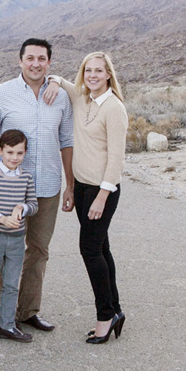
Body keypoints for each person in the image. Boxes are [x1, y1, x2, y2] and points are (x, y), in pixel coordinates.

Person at [0, 38, 73, 333]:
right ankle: (4, 315)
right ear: (20, 61)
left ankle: (26, 312)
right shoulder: (3, 93)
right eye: (30, 58)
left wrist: (70, 185)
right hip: (9, 187)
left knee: (38, 251)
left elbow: (67, 140)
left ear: (49, 63)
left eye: (41, 58)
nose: (35, 63)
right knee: (8, 249)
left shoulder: (61, 97)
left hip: (46, 187)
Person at [44, 51, 128, 344]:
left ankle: (105, 315)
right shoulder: (82, 97)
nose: (92, 75)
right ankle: (115, 309)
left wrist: (102, 196)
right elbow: (60, 80)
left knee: (90, 251)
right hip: (81, 187)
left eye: (98, 71)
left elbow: (117, 159)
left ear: (108, 75)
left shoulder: (114, 108)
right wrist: (54, 80)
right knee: (101, 249)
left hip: (101, 190)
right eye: (88, 70)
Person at [0, 130, 39, 346]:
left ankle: (7, 325)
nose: (14, 157)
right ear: (0, 151)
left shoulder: (26, 177)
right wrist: (1, 218)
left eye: (19, 153)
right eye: (10, 152)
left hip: (16, 240)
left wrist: (23, 207)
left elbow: (34, 205)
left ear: (25, 153)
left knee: (12, 284)